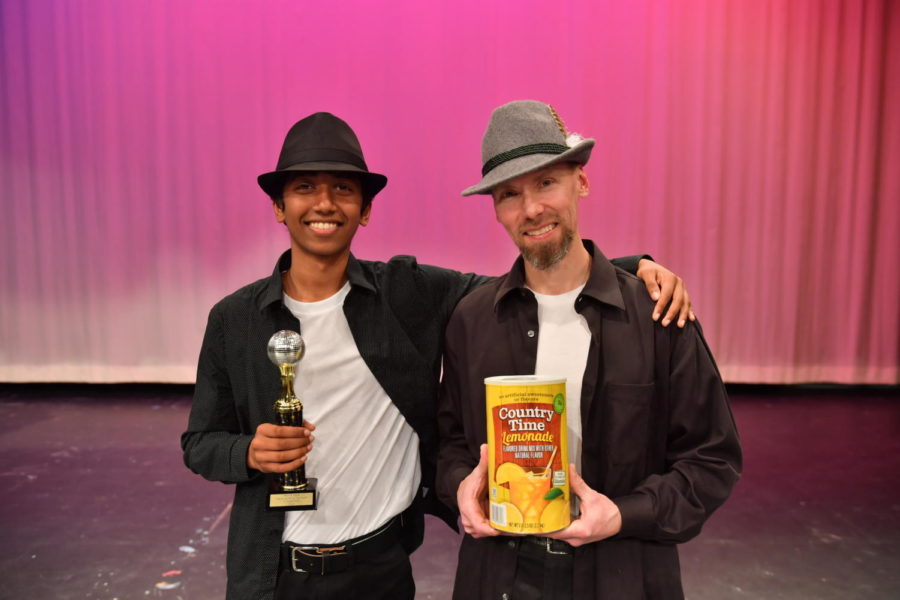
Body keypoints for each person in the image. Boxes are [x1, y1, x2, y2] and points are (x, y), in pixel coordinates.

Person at [181, 111, 694, 600]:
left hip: (380, 571)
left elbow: (530, 282)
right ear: (279, 206)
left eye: (342, 189)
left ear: (365, 209)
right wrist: (246, 453)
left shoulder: (407, 294)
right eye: (304, 188)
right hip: (273, 574)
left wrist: (630, 270)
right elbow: (200, 441)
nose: (324, 204)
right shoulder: (235, 320)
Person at [436, 100, 742, 599]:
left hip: (623, 575)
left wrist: (621, 514)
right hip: (499, 578)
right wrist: (460, 488)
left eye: (546, 183)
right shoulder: (472, 321)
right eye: (510, 194)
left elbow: (711, 460)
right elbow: (450, 444)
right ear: (494, 208)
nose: (531, 209)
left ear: (581, 181)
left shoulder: (657, 313)